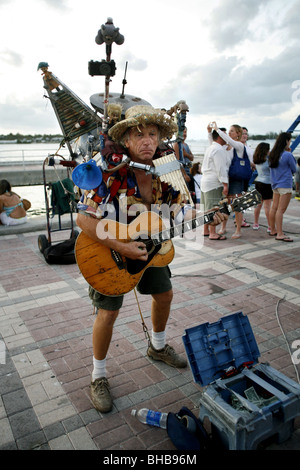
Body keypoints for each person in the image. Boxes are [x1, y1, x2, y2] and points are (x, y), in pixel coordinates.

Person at [75, 105, 228, 413]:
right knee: (107, 314)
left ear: (160, 139)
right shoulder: (109, 171)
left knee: (165, 294)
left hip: (151, 248)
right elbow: (84, 220)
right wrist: (124, 246)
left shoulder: (165, 172)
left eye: (153, 134)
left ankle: (157, 347)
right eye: (138, 134)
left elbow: (179, 211)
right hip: (108, 251)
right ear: (126, 140)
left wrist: (205, 215)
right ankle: (98, 376)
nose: (147, 141)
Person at [211, 123, 252, 239]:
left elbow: (229, 140)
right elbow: (213, 145)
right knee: (225, 204)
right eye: (229, 131)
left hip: (236, 179)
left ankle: (238, 229)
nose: (229, 133)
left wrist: (217, 130)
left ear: (238, 134)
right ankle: (223, 227)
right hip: (226, 179)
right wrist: (211, 133)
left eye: (232, 131)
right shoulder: (225, 147)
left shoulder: (238, 146)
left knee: (237, 205)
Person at [201, 129, 229, 240]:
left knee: (206, 207)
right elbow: (220, 169)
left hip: (205, 181)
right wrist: (225, 184)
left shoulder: (211, 147)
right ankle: (213, 233)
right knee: (214, 208)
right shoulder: (218, 149)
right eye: (225, 135)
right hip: (214, 183)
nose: (227, 138)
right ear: (220, 137)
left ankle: (205, 230)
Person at [268, 132, 296, 242]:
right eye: (289, 141)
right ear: (286, 141)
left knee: (274, 207)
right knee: (281, 210)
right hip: (285, 184)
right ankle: (280, 233)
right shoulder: (288, 155)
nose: (290, 143)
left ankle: (273, 229)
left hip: (275, 184)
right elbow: (294, 169)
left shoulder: (272, 154)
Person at [252, 143, 273, 231]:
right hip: (267, 183)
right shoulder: (268, 161)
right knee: (267, 206)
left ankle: (256, 223)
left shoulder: (257, 159)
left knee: (258, 205)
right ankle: (270, 226)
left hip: (258, 182)